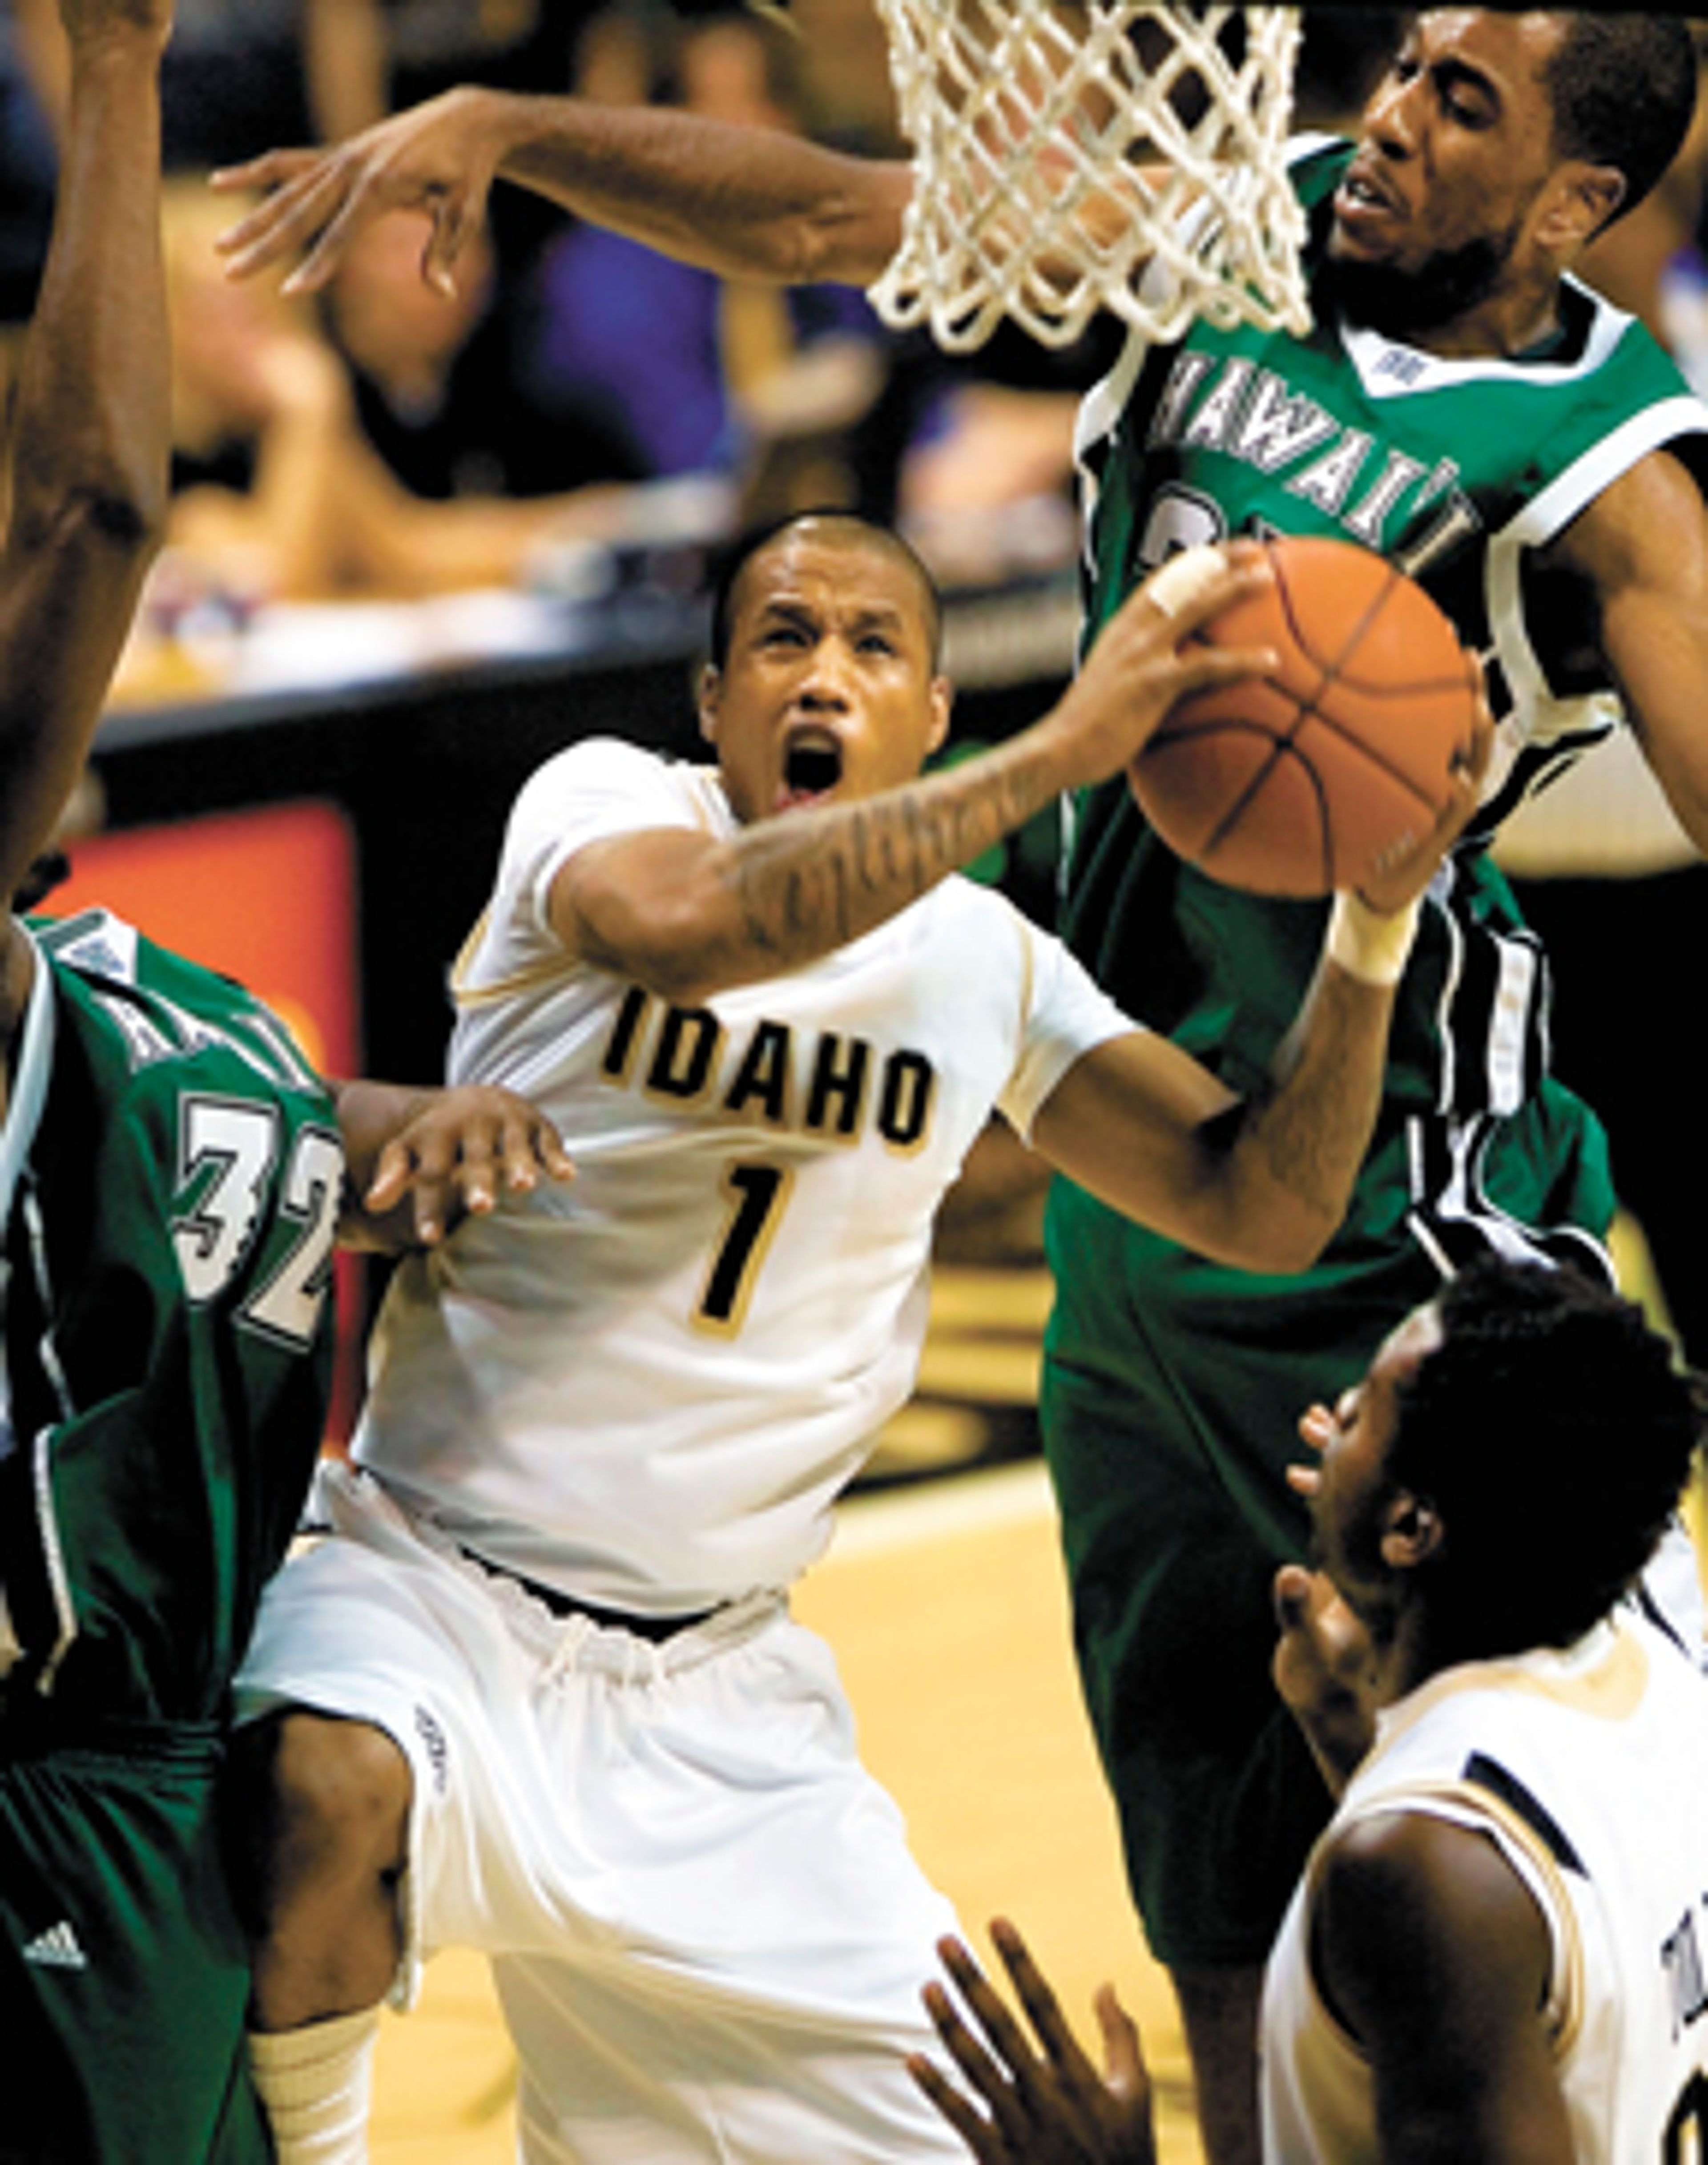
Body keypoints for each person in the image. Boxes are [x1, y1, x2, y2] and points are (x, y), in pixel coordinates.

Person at [210, 16, 1708, 2157]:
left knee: (1512, 1868)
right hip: (1140, 1196)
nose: (1387, 114)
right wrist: (506, 128)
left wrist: (1390, 881)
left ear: (1572, 201)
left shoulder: (1615, 465)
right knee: (1222, 1910)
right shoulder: (1232, 228)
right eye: (1405, 66)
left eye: (1463, 105)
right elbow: (834, 214)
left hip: (1404, 1212)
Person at [218, 503, 1479, 2165]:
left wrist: (1372, 930)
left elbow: (1261, 1201)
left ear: (933, 710)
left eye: (875, 645)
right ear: (715, 697)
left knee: (977, 2143)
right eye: (786, 639)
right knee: (325, 1780)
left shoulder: (986, 966)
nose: (825, 675)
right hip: (430, 1587)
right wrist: (1066, 750)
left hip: (720, 1695)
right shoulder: (597, 810)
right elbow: (692, 924)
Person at [0, 12, 571, 2159]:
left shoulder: (120, 982)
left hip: (195, 1790)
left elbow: (233, 1126)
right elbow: (92, 504)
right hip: (54, 1810)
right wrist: (113, 71)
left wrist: (390, 1130)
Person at [908, 1257, 1708, 2165]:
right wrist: (1355, 1746)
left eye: (1363, 1411)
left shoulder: (1418, 1868)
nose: (1328, 1421)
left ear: (1411, 1528)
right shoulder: (1658, 1673)